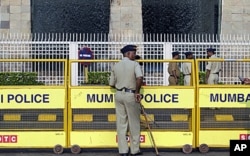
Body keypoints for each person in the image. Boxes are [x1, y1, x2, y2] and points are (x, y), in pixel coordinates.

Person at [109, 45, 143, 156]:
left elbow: (111, 84)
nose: (134, 55)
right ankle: (134, 150)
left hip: (119, 94)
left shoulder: (116, 66)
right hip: (130, 94)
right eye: (133, 53)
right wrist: (137, 92)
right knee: (134, 123)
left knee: (121, 123)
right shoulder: (135, 64)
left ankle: (123, 150)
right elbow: (139, 78)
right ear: (128, 54)